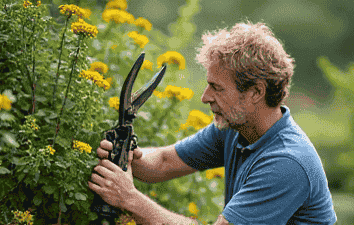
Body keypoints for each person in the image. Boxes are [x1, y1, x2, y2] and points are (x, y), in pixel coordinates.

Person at [88, 20, 337, 224]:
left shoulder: (286, 163)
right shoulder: (234, 128)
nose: (205, 97)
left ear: (255, 92)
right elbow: (164, 162)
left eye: (217, 88)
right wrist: (130, 157)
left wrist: (129, 199)